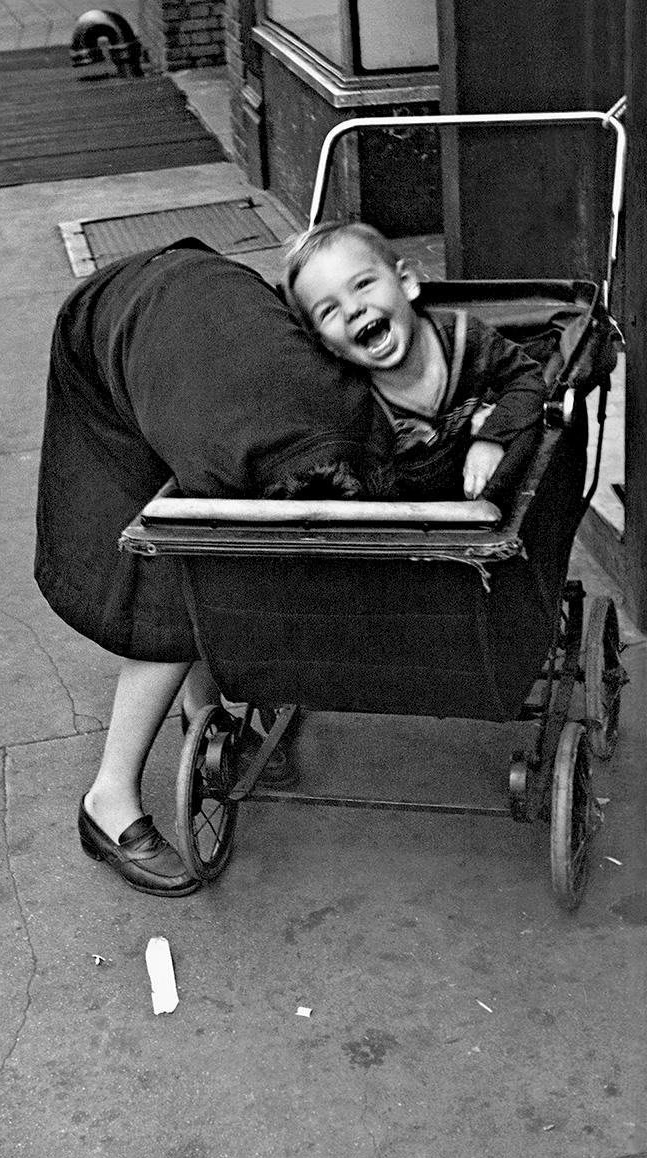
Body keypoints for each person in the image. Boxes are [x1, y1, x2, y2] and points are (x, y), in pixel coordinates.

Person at [34, 238, 377, 898]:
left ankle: (204, 714)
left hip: (205, 310)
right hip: (110, 329)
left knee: (206, 571)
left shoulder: (340, 402)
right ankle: (107, 803)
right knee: (168, 585)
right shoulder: (217, 450)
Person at [283, 221, 546, 502]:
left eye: (362, 284)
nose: (352, 309)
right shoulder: (358, 404)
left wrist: (492, 438)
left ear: (406, 282)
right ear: (327, 345)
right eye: (328, 311)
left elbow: (527, 378)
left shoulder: (464, 337)